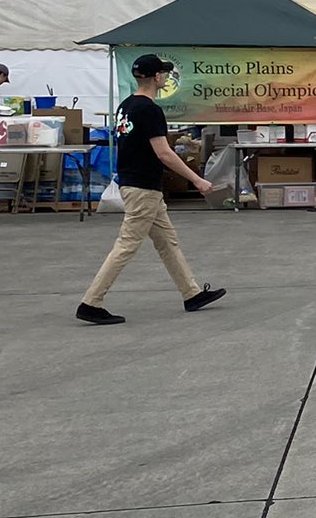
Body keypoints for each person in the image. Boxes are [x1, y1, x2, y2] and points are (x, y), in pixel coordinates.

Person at [76, 54, 224, 325]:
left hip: (137, 184)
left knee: (167, 242)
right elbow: (163, 152)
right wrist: (197, 180)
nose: (166, 77)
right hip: (143, 187)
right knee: (126, 245)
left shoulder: (126, 106)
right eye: (164, 73)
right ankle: (91, 302)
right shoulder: (150, 110)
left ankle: (191, 293)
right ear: (156, 77)